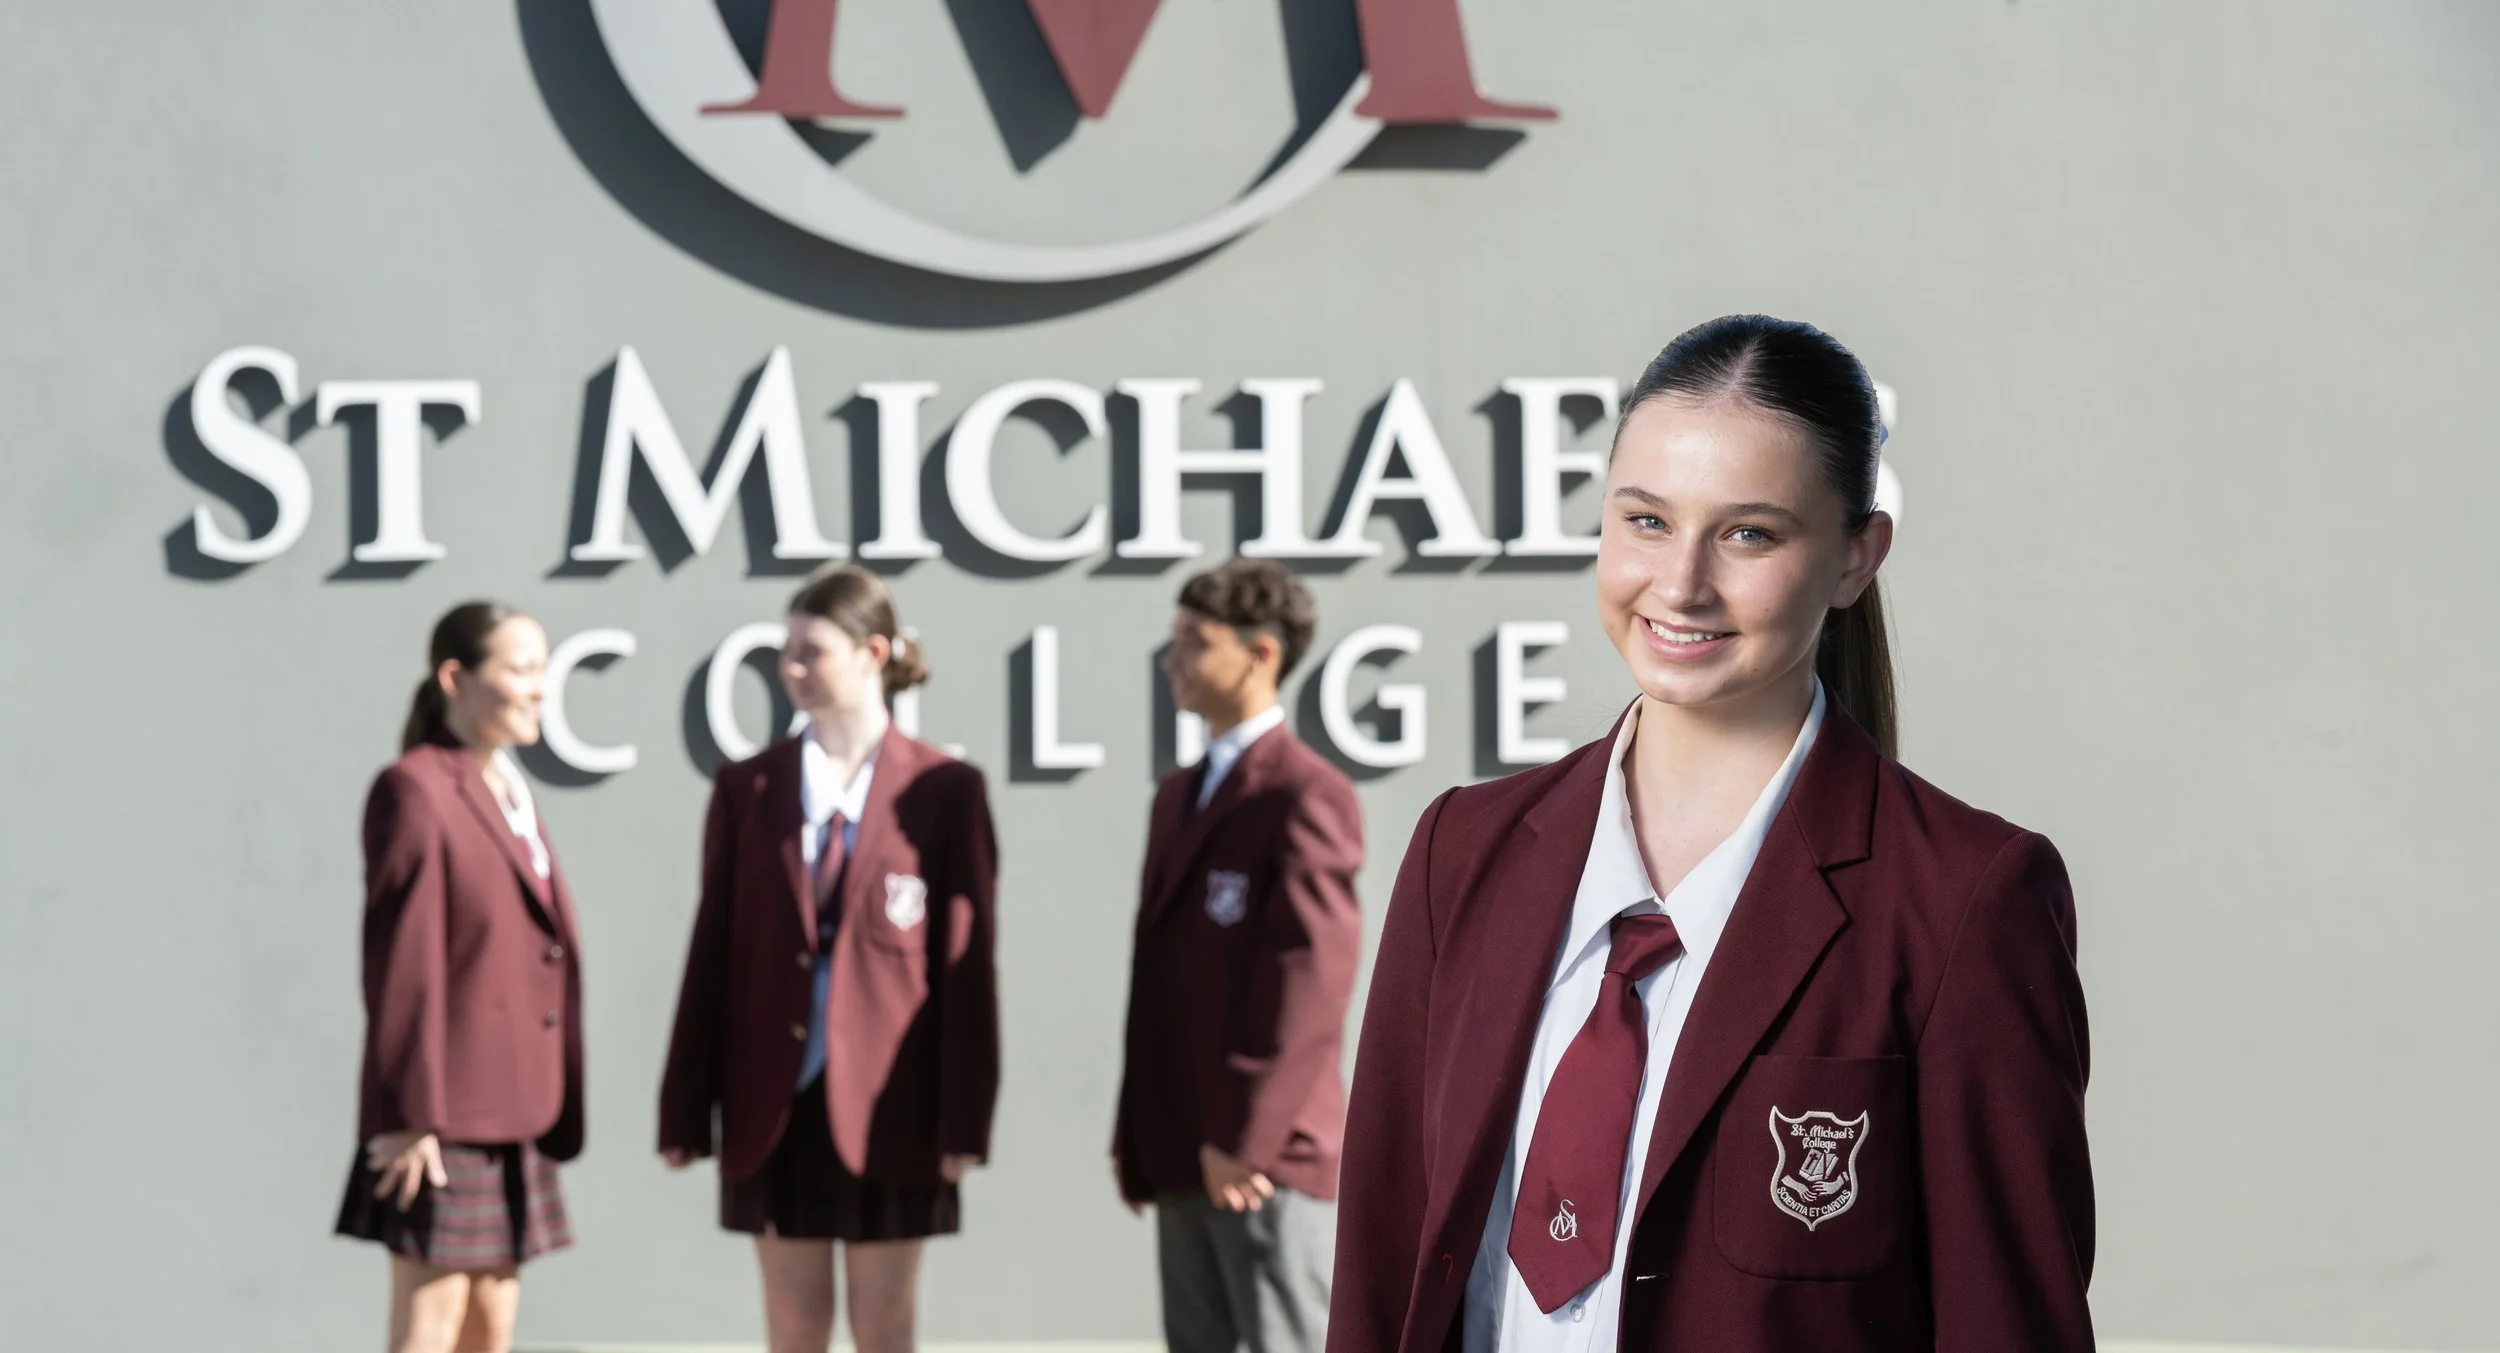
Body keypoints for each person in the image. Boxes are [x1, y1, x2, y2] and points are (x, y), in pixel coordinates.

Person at [1328, 315, 2096, 1353]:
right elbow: (1380, 1278)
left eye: (1748, 534)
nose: (1680, 584)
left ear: (1854, 559)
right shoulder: (1461, 855)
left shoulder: (1963, 901)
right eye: (1645, 520)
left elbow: (2006, 1326)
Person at [660, 565, 1000, 1353]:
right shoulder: (748, 787)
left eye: (812, 650)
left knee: (884, 1329)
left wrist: (964, 1117)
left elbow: (966, 968)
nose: (792, 668)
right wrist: (685, 1108)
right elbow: (711, 950)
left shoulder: (946, 790)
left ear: (872, 652)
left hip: (893, 1103)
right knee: (795, 1327)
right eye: (788, 651)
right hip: (772, 1101)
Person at [1115, 557, 1366, 1353]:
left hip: (1262, 1161)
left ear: (1261, 655)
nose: (1172, 658)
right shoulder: (1178, 794)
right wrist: (1144, 1137)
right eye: (1173, 637)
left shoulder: (1305, 793)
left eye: (1196, 641)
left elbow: (1311, 980)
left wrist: (1245, 1140)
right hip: (1189, 1151)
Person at [336, 601, 587, 1353]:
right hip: (442, 1115)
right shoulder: (415, 788)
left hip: (515, 1103)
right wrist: (412, 1113)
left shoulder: (507, 788)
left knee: (492, 1323)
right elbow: (402, 961)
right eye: (520, 669)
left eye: (543, 668)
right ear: (456, 677)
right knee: (431, 1323)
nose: (540, 687)